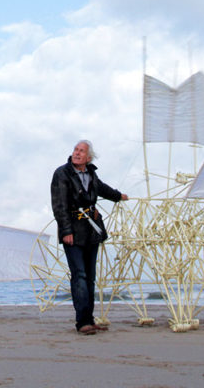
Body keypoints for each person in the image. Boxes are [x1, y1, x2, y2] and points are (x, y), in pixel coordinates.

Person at [50, 140, 128, 335]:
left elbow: (102, 189)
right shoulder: (62, 173)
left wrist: (119, 196)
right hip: (73, 231)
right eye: (76, 149)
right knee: (80, 275)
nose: (77, 153)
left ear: (88, 157)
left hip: (91, 231)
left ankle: (89, 319)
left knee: (90, 278)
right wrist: (66, 231)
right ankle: (82, 321)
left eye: (81, 151)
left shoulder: (91, 173)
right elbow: (59, 205)